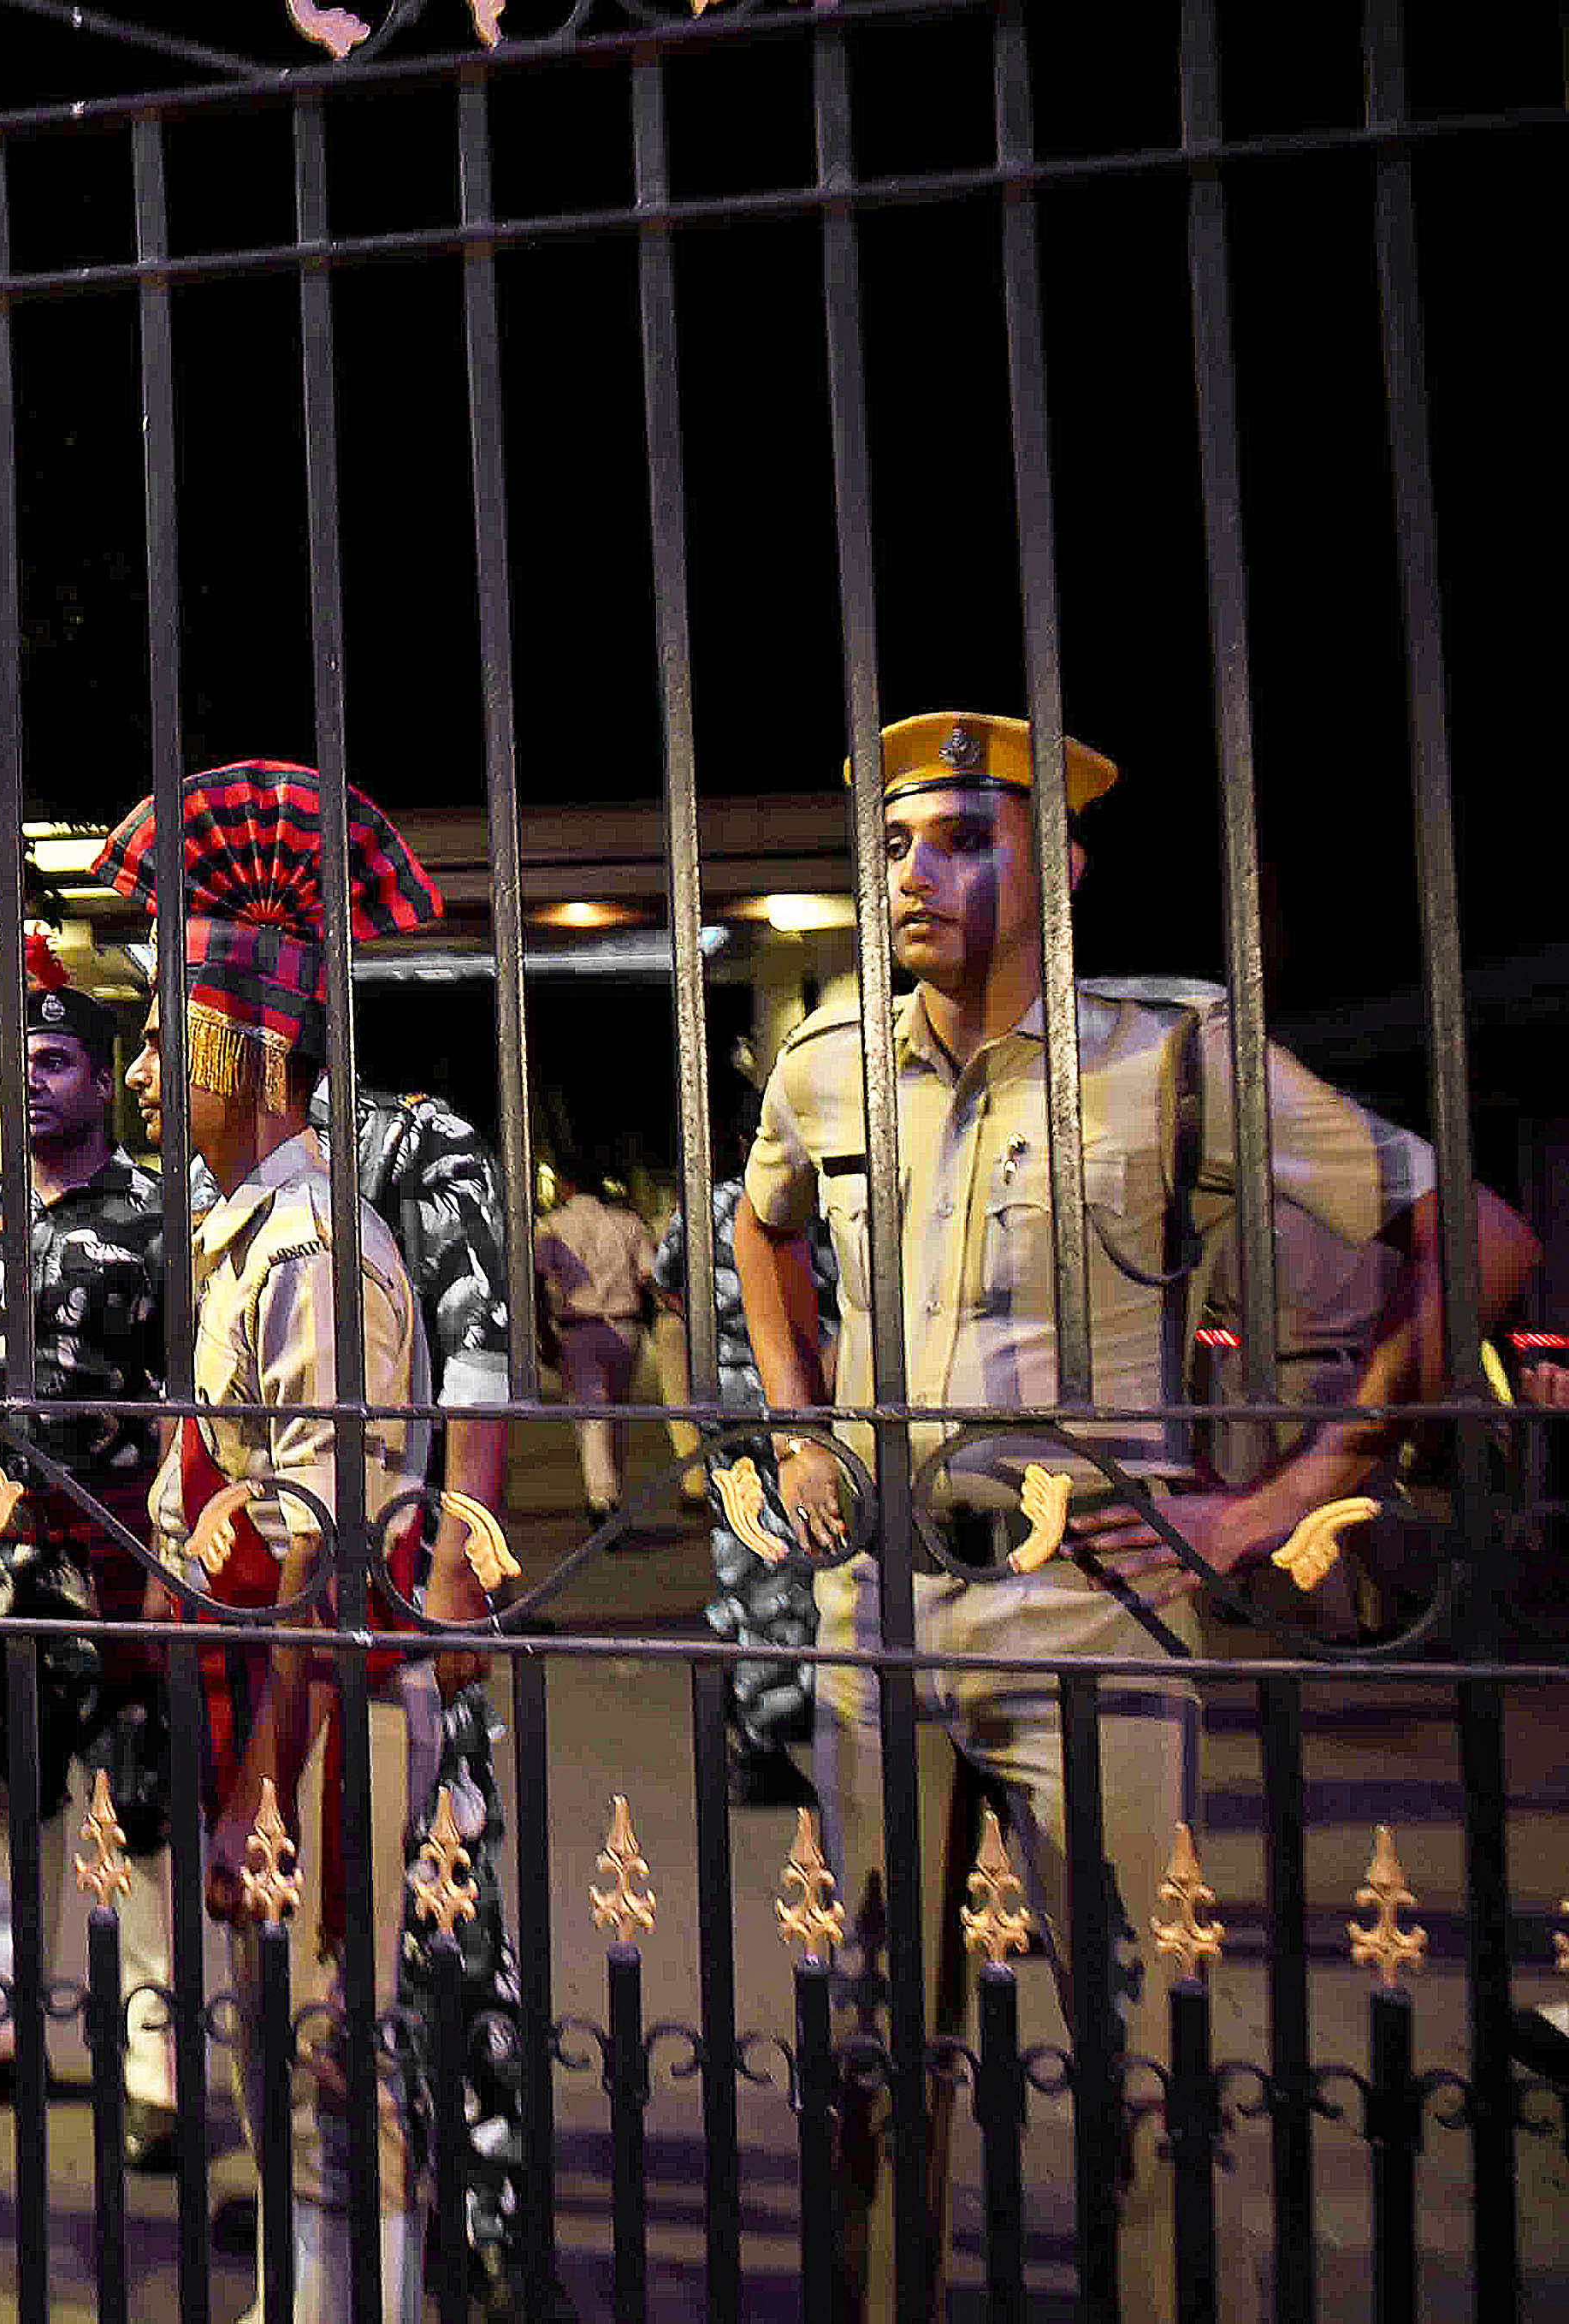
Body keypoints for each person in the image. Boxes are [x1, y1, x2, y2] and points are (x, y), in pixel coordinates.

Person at [737, 711, 1534, 2324]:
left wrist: (1296, 1491)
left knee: (1143, 2050)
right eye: (894, 844)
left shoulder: (1171, 1056)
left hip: (1091, 1604)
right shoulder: (828, 1061)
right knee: (875, 2037)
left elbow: (1486, 1241)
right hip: (874, 1603)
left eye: (962, 837)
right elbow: (762, 1234)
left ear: (1061, 871)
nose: (913, 874)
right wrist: (801, 1420)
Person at [89, 762, 496, 2323]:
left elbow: (327, 1552)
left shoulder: (317, 1243)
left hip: (315, 1710)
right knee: (283, 2045)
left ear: (234, 1039)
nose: (135, 1074)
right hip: (259, 1691)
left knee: (341, 2047)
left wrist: (261, 1767)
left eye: (149, 1036)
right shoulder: (239, 1223)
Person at [0, 930, 192, 2174]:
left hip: (124, 1545)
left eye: (60, 1059)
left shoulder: (164, 1216)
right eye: (20, 1058)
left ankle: (155, 2067)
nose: (34, 1079)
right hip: (5, 1552)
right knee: (4, 1797)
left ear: (101, 1075)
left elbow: (193, 1403)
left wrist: (182, 1556)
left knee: (141, 1814)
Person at [654, 1171, 826, 1809]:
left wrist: (723, 1330)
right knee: (786, 1565)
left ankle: (762, 1707)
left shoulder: (713, 1197)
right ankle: (766, 1730)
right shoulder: (822, 1196)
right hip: (800, 1402)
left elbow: (668, 1284)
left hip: (728, 1400)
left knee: (750, 1554)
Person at [536, 1169, 659, 1528]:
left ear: (567, 1185)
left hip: (579, 1329)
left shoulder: (553, 1226)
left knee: (591, 1417)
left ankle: (603, 1500)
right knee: (616, 1416)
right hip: (626, 1326)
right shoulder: (629, 1223)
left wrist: (543, 1332)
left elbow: (539, 1280)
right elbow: (649, 1275)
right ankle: (611, 1491)